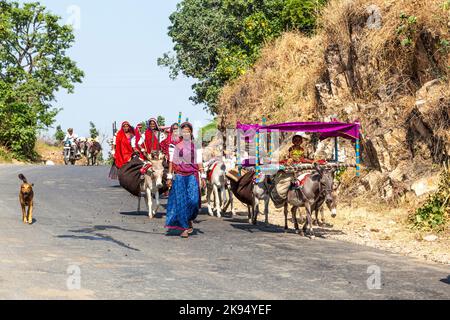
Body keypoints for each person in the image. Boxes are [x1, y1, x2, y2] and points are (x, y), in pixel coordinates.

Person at [165, 122, 206, 238]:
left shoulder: (196, 146)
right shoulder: (176, 146)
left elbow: (199, 162)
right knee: (182, 202)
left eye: (188, 131)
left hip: (192, 175)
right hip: (179, 176)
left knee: (193, 200)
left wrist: (203, 176)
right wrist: (169, 177)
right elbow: (172, 162)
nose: (186, 133)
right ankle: (184, 227)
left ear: (191, 132)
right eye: (184, 131)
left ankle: (189, 219)